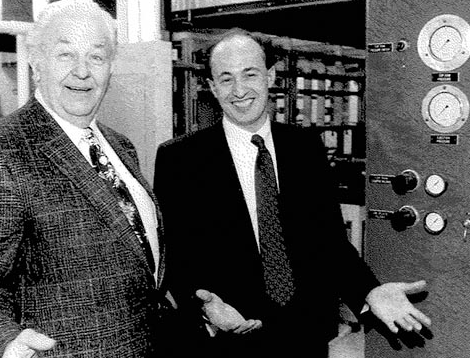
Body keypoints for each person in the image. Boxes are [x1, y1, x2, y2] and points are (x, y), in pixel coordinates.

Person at [153, 28, 432, 357]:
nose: (239, 90)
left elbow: (329, 243)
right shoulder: (180, 158)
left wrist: (369, 292)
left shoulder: (304, 147)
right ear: (212, 87)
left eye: (250, 74)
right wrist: (202, 308)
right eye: (225, 79)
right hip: (227, 338)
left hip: (304, 336)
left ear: (270, 75)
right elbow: (173, 255)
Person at [0, 0, 172, 358]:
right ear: (37, 63)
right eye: (65, 54)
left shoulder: (121, 147)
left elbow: (140, 266)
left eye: (97, 57)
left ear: (110, 68)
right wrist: (5, 342)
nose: (82, 71)